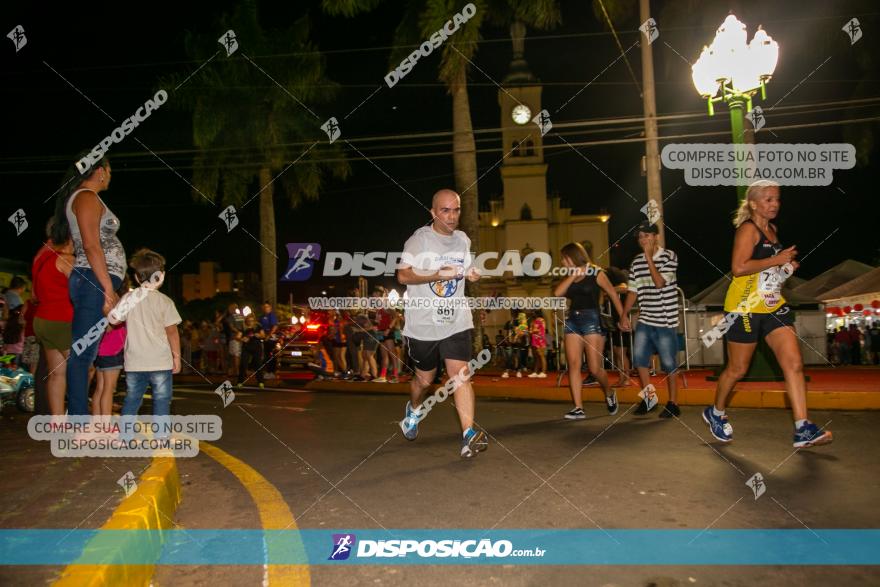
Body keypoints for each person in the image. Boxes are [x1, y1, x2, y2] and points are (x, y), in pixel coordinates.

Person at [704, 180, 832, 448]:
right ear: (753, 203)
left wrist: (785, 267)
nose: (774, 204)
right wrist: (776, 260)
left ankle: (802, 428)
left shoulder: (773, 230)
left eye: (777, 199)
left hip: (773, 305)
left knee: (794, 364)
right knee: (738, 369)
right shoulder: (747, 230)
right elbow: (739, 268)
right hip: (745, 307)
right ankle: (715, 412)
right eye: (768, 199)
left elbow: (766, 270)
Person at [397, 189, 487, 458]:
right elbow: (402, 275)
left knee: (461, 375)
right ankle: (413, 410)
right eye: (445, 210)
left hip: (455, 319)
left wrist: (472, 273)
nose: (451, 216)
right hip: (423, 322)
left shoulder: (462, 240)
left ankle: (468, 434)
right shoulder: (419, 240)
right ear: (433, 212)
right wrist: (437, 273)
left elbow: (466, 268)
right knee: (424, 381)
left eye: (456, 210)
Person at [53, 155, 125, 416]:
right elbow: (91, 245)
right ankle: (78, 423)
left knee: (87, 353)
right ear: (100, 171)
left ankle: (80, 421)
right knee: (82, 354)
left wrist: (109, 286)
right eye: (110, 169)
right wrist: (107, 288)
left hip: (95, 280)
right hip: (92, 279)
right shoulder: (86, 197)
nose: (111, 175)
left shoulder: (88, 198)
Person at [555, 242, 625, 420]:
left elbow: (612, 293)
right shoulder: (569, 275)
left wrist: (623, 317)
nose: (562, 261)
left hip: (592, 319)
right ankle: (578, 407)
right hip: (573, 320)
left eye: (564, 257)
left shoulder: (596, 272)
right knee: (574, 364)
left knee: (594, 368)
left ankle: (609, 392)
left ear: (572, 256)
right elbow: (557, 293)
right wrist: (573, 275)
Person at [619, 222, 681, 418]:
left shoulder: (669, 257)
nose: (643, 239)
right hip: (645, 318)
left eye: (647, 235)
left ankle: (673, 403)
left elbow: (659, 282)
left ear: (656, 237)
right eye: (640, 237)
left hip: (666, 319)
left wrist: (648, 257)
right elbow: (633, 290)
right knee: (640, 360)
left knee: (669, 363)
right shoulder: (636, 263)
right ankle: (649, 399)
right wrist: (624, 314)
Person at [117, 249, 181, 423]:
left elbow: (114, 320)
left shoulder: (129, 299)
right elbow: (172, 332)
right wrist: (176, 357)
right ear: (161, 276)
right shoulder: (165, 302)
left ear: (137, 277)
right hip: (160, 361)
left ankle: (125, 437)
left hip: (135, 361)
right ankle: (161, 437)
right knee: (161, 401)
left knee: (132, 400)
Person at [32, 228, 76, 415]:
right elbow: (82, 290)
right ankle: (75, 417)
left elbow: (35, 294)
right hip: (63, 320)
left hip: (43, 319)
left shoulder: (41, 259)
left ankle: (57, 422)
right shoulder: (67, 260)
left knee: (56, 373)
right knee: (83, 369)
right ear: (68, 240)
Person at [93, 280, 129, 417]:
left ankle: (97, 423)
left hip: (101, 348)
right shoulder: (116, 299)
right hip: (112, 350)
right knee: (108, 389)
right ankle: (106, 425)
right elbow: (110, 325)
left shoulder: (102, 296)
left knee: (100, 388)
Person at [259, 301, 279, 379]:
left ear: (270, 307)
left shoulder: (272, 315)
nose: (265, 308)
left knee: (271, 355)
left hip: (271, 338)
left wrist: (269, 335)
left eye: (267, 307)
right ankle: (268, 371)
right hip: (264, 338)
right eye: (264, 307)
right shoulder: (262, 316)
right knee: (266, 355)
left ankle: (271, 372)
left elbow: (275, 326)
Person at [528, 311, 548, 378]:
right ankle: (535, 372)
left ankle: (543, 372)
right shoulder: (532, 321)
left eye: (533, 312)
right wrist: (530, 331)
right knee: (536, 357)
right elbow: (531, 330)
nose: (532, 313)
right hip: (534, 340)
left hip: (540, 340)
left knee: (541, 356)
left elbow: (542, 330)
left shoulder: (541, 320)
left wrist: (533, 331)